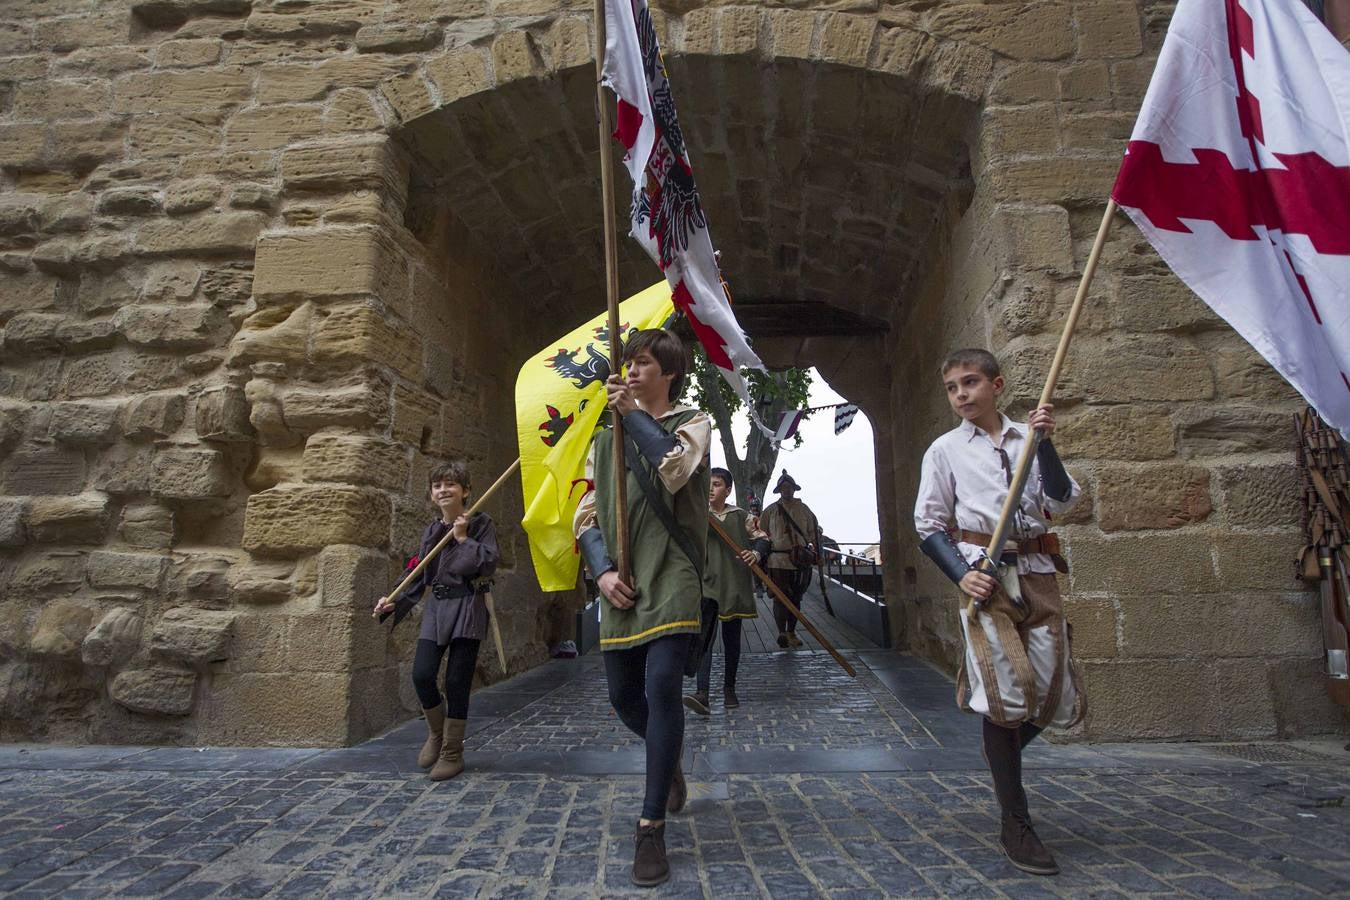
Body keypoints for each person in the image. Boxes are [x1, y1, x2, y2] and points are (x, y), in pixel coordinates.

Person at [913, 348, 1083, 876]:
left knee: (1053, 695)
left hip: (1038, 573)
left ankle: (1000, 749)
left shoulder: (1029, 437)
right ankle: (1016, 820)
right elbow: (928, 524)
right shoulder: (944, 450)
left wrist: (1046, 443)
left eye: (971, 383)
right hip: (987, 579)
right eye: (952, 387)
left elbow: (1063, 496)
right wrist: (961, 574)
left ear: (997, 385)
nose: (961, 394)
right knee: (1004, 696)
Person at [572, 328, 711, 887]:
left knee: (660, 688)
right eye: (628, 363)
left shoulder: (692, 422)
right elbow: (585, 513)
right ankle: (667, 757)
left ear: (669, 372)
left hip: (672, 572)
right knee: (624, 697)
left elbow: (675, 471)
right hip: (622, 580)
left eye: (644, 363)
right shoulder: (602, 439)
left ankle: (650, 826)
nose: (631, 372)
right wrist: (602, 570)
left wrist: (632, 417)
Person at [373, 461, 499, 782]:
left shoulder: (481, 523)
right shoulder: (431, 531)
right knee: (422, 675)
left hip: (468, 607)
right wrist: (392, 600)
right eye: (437, 486)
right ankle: (436, 733)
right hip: (437, 608)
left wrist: (462, 539)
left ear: (465, 491)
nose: (443, 490)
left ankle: (453, 753)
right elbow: (417, 570)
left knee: (457, 681)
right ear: (431, 495)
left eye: (450, 484)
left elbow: (487, 563)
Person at [683, 467, 769, 715]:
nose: (711, 488)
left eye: (717, 484)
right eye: (708, 483)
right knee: (704, 640)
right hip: (706, 584)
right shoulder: (697, 515)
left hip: (733, 584)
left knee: (732, 641)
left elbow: (762, 538)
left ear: (728, 489)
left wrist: (755, 553)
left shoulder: (741, 516)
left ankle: (729, 688)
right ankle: (702, 692)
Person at [760, 471, 820, 648]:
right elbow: (762, 534)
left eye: (789, 487)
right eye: (783, 487)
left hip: (800, 560)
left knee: (796, 598)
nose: (786, 490)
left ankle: (792, 632)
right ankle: (782, 633)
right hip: (777, 560)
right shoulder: (770, 511)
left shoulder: (804, 509)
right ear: (779, 490)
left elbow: (813, 533)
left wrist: (818, 553)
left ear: (794, 489)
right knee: (780, 598)